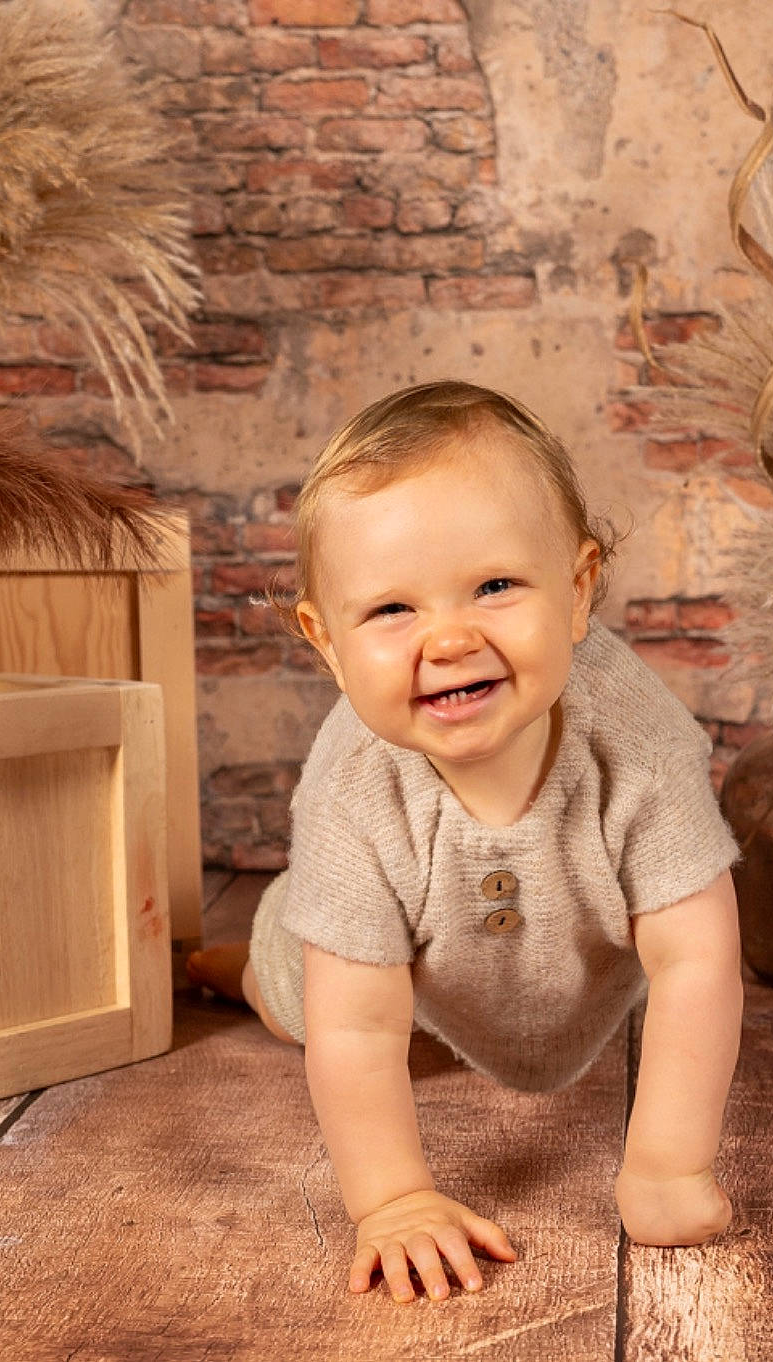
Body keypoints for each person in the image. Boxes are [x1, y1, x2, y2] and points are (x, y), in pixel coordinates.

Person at [185, 380, 743, 1304]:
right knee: (295, 992)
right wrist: (394, 1200)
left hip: (567, 966)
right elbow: (356, 1026)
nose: (448, 638)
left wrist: (665, 1166)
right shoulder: (351, 791)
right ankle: (221, 964)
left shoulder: (641, 746)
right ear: (326, 643)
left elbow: (697, 959)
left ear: (577, 591)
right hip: (362, 958)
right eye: (392, 611)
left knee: (434, 1036)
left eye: (494, 586)